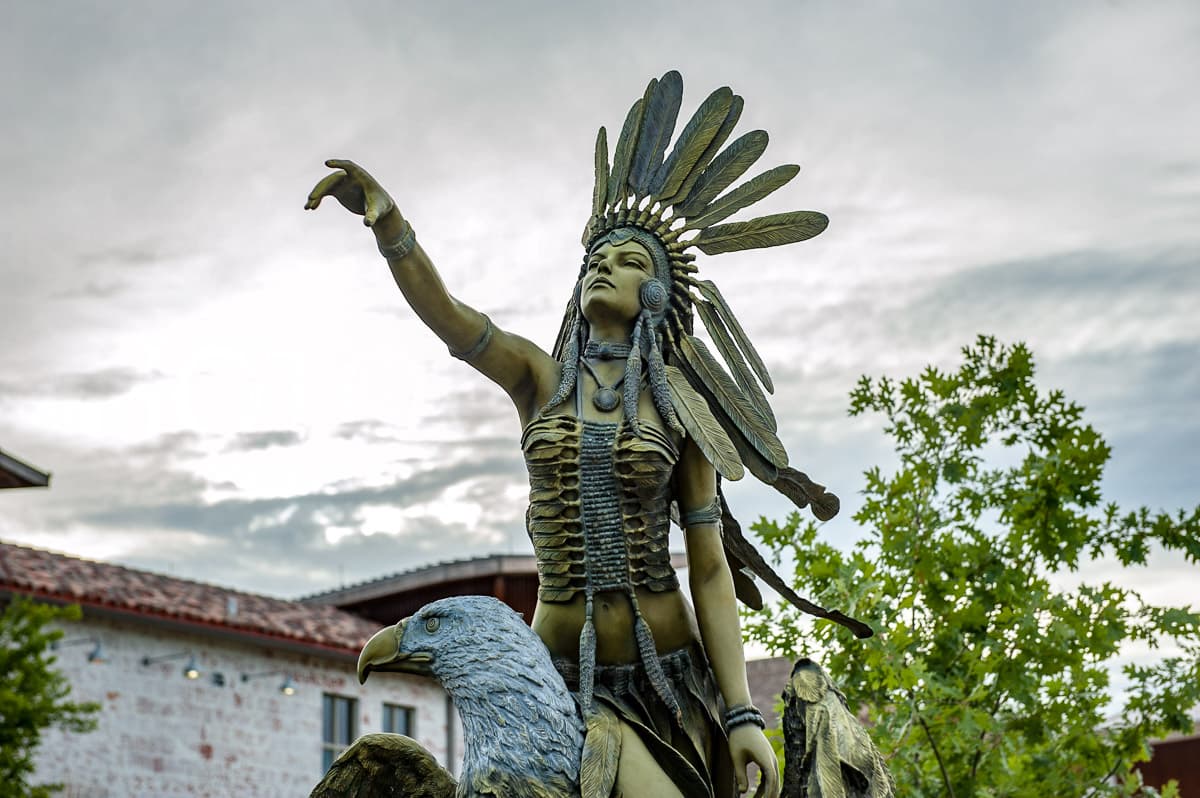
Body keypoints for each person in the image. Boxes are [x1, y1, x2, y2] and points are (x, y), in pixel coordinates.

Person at [307, 71, 867, 798]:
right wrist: (390, 227)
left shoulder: (683, 411)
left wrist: (738, 714)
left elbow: (708, 569)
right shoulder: (539, 381)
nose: (604, 264)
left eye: (630, 260)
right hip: (556, 679)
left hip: (668, 682)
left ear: (659, 291)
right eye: (596, 258)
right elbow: (449, 318)